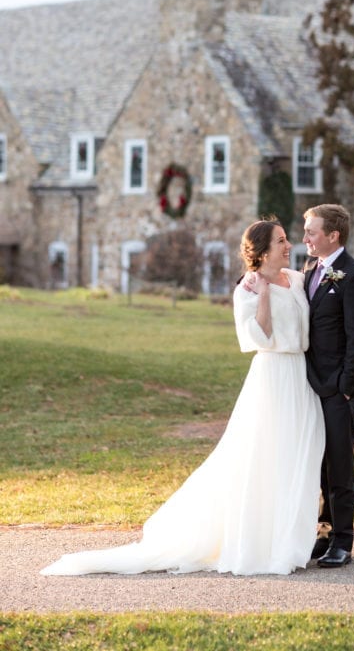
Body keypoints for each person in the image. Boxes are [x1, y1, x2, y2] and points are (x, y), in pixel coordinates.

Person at [40, 219, 325, 577]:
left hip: (302, 378)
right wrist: (264, 294)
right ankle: (261, 544)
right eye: (281, 241)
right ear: (263, 251)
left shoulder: (299, 280)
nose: (289, 245)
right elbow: (259, 339)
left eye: (286, 239)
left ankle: (290, 539)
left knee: (299, 458)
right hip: (272, 377)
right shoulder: (247, 291)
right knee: (264, 458)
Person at [302, 203, 354, 568]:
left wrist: (346, 387)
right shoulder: (311, 268)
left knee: (340, 465)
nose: (305, 239)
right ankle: (323, 533)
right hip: (311, 386)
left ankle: (343, 542)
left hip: (339, 389)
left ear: (333, 235)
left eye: (312, 232)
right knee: (317, 463)